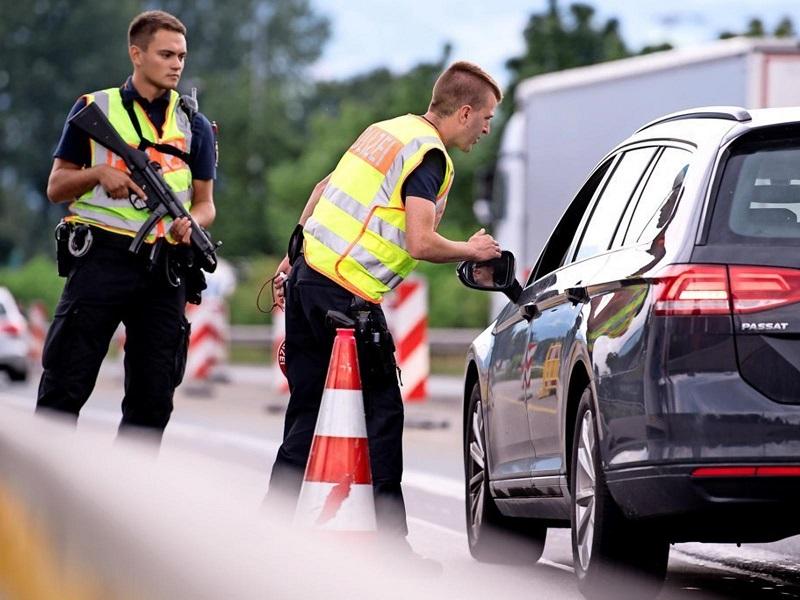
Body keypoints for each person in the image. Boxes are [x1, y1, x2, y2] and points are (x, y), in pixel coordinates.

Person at [267, 61, 503, 557]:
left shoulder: (385, 132)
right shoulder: (430, 156)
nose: (486, 128)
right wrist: (472, 250)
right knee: (381, 419)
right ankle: (391, 553)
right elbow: (420, 241)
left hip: (309, 278)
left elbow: (319, 193)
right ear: (464, 112)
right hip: (346, 300)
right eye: (485, 118)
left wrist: (291, 264)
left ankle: (270, 534)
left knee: (305, 415)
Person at [37, 10, 217, 439]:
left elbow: (206, 204)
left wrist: (189, 225)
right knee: (65, 383)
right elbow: (57, 186)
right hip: (102, 260)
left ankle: (129, 493)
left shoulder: (194, 124)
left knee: (153, 398)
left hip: (166, 269)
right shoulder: (94, 109)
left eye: (182, 57)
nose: (176, 64)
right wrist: (98, 175)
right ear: (137, 54)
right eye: (166, 54)